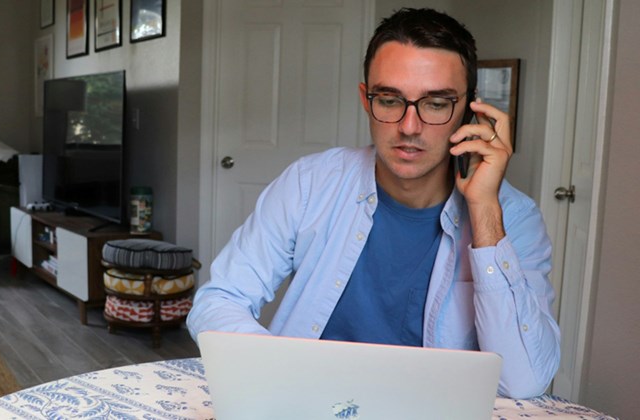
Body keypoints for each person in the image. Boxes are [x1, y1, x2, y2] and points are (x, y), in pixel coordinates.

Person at [186, 8, 560, 399]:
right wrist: (285, 371)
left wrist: (484, 211)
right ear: (367, 100)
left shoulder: (511, 217)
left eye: (435, 103)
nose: (409, 127)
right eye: (389, 99)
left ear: (468, 111)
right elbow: (220, 299)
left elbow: (524, 380)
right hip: (305, 399)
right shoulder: (309, 184)